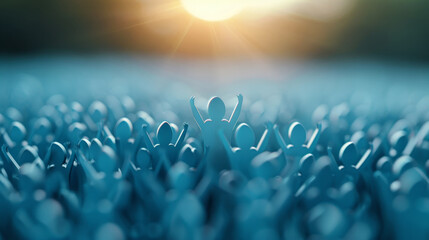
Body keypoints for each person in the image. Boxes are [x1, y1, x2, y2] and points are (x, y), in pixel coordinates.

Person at [190, 94, 243, 172]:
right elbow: (235, 117)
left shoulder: (212, 125)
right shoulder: (221, 125)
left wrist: (193, 106)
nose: (216, 112)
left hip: (221, 162)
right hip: (213, 163)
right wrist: (239, 103)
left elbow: (198, 118)